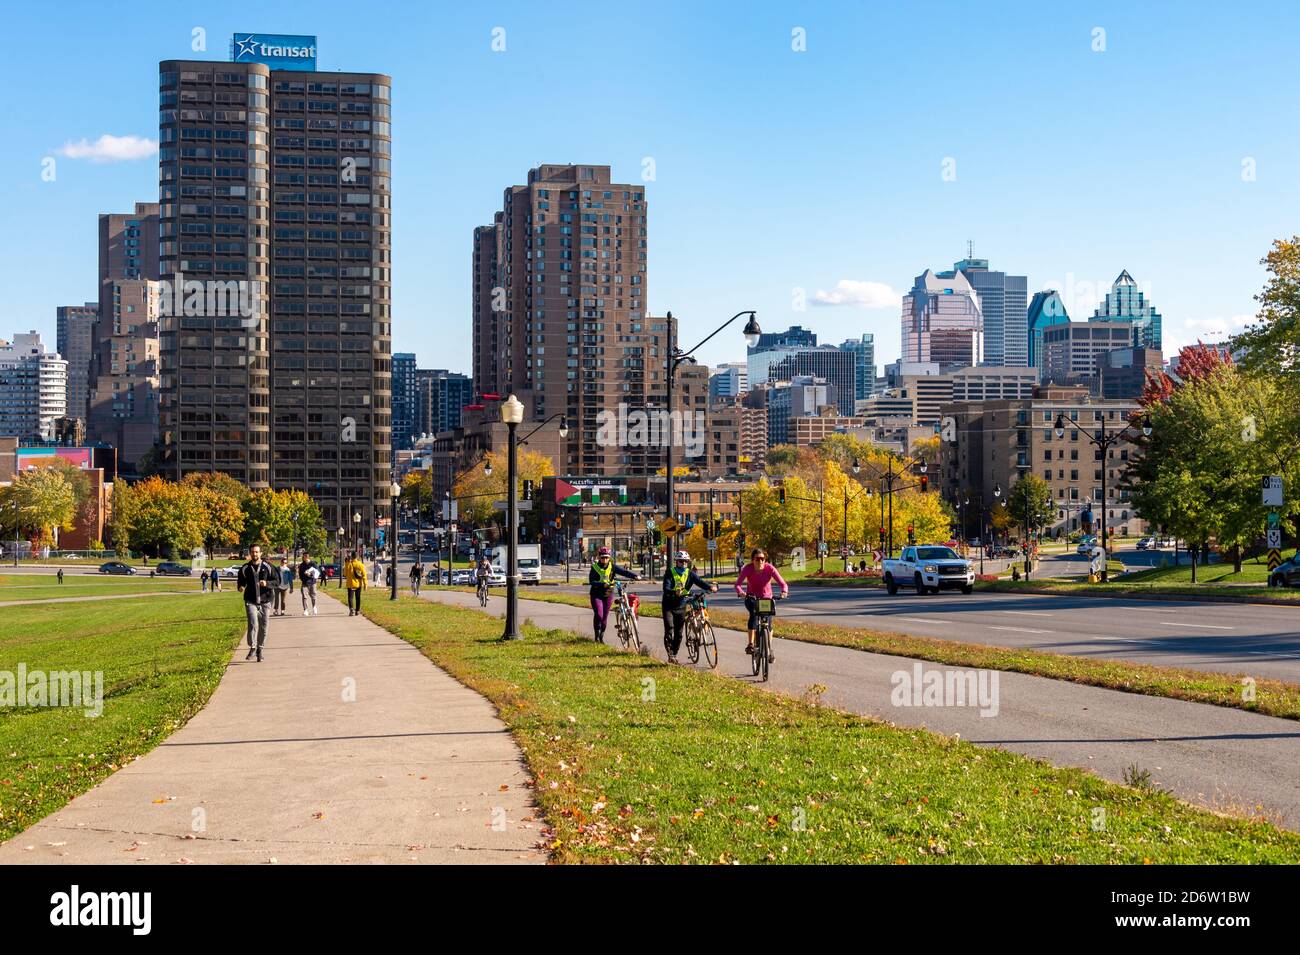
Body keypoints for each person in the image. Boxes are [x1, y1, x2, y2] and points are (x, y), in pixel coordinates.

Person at [661, 550, 716, 663]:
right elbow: (666, 588)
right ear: (677, 562)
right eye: (681, 561)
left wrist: (710, 587)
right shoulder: (669, 572)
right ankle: (670, 654)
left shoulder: (690, 573)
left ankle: (674, 655)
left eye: (686, 562)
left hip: (681, 606)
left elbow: (700, 582)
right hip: (669, 606)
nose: (684, 564)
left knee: (679, 634)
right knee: (669, 630)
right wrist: (674, 592)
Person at [734, 548, 789, 658]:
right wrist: (741, 593)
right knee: (753, 616)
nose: (760, 561)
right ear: (753, 560)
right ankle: (750, 644)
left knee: (768, 623)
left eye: (762, 559)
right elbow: (737, 585)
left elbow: (783, 583)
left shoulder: (770, 568)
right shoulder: (748, 569)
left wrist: (784, 592)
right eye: (758, 559)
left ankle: (768, 648)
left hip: (766, 599)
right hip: (752, 598)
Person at [587, 546, 640, 642]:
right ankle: (596, 636)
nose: (605, 559)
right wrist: (602, 584)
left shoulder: (612, 566)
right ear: (599, 557)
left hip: (608, 594)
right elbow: (591, 581)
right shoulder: (594, 567)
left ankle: (601, 637)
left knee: (604, 617)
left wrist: (634, 576)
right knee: (599, 614)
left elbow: (623, 572)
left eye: (607, 557)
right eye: (603, 557)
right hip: (596, 595)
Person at [236, 544, 276, 662]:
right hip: (250, 600)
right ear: (250, 553)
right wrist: (241, 587)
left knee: (264, 626)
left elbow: (277, 581)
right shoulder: (245, 568)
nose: (255, 554)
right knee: (253, 623)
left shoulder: (268, 567)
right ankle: (253, 647)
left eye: (257, 552)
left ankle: (260, 649)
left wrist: (267, 584)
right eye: (252, 552)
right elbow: (241, 582)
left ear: (261, 553)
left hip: (266, 600)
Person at [344, 550, 367, 616]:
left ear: (351, 557)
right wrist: (365, 584)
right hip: (358, 584)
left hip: (350, 583)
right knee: (358, 597)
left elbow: (345, 574)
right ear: (357, 556)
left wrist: (346, 563)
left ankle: (351, 610)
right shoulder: (360, 564)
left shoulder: (348, 564)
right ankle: (357, 610)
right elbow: (364, 575)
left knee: (350, 597)